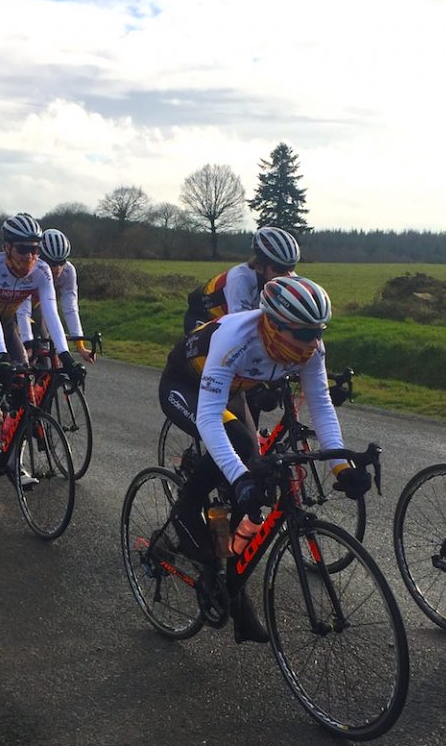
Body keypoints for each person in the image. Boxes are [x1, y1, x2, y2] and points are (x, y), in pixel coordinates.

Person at [159, 276, 371, 644]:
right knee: (239, 446)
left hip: (236, 388)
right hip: (186, 385)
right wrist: (238, 477)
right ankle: (187, 510)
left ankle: (231, 578)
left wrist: (341, 466)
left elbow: (319, 404)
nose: (313, 342)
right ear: (273, 324)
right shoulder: (235, 337)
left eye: (318, 332)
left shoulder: (310, 349)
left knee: (257, 473)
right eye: (304, 333)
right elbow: (209, 417)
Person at [0, 213, 86, 463]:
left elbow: (51, 313)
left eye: (35, 250)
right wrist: (1, 356)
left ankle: (12, 455)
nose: (30, 257)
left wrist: (67, 356)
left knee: (23, 388)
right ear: (7, 247)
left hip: (6, 325)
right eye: (23, 249)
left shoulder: (42, 270)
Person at [182, 226, 301, 334]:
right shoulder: (240, 278)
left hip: (228, 318)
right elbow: (241, 325)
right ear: (260, 265)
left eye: (291, 267)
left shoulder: (287, 277)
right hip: (204, 315)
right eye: (279, 268)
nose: (288, 275)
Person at [16, 228, 95, 364]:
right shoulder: (31, 270)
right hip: (16, 307)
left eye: (62, 262)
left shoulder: (69, 271)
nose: (58, 269)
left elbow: (70, 308)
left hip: (39, 307)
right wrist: (27, 343)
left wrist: (80, 346)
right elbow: (23, 311)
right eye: (52, 264)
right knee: (25, 351)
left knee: (48, 351)